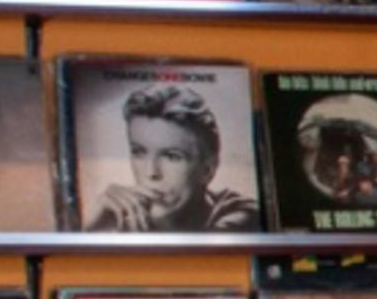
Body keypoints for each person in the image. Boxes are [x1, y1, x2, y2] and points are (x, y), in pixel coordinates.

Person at [84, 80, 256, 232]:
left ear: (208, 170)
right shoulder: (119, 217)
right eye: (139, 152)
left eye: (172, 156)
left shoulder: (242, 215)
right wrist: (91, 228)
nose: (152, 173)